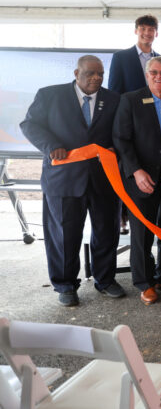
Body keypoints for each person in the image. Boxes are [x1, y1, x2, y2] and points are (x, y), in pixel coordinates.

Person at [20, 55, 124, 306]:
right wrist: (50, 145)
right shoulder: (50, 95)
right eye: (90, 73)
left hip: (103, 179)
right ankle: (65, 284)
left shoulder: (114, 100)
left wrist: (114, 150)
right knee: (64, 235)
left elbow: (121, 133)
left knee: (106, 231)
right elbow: (29, 125)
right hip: (64, 179)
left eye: (100, 74)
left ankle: (105, 280)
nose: (96, 78)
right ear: (77, 73)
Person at [112, 56, 161, 305]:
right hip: (141, 176)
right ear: (147, 75)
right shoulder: (130, 100)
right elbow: (120, 139)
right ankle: (144, 283)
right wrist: (136, 171)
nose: (159, 76)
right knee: (142, 232)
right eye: (154, 72)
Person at [108, 14, 161, 94]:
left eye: (151, 30)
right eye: (143, 29)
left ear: (156, 34)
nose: (147, 33)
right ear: (136, 31)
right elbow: (114, 90)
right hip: (130, 105)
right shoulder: (120, 57)